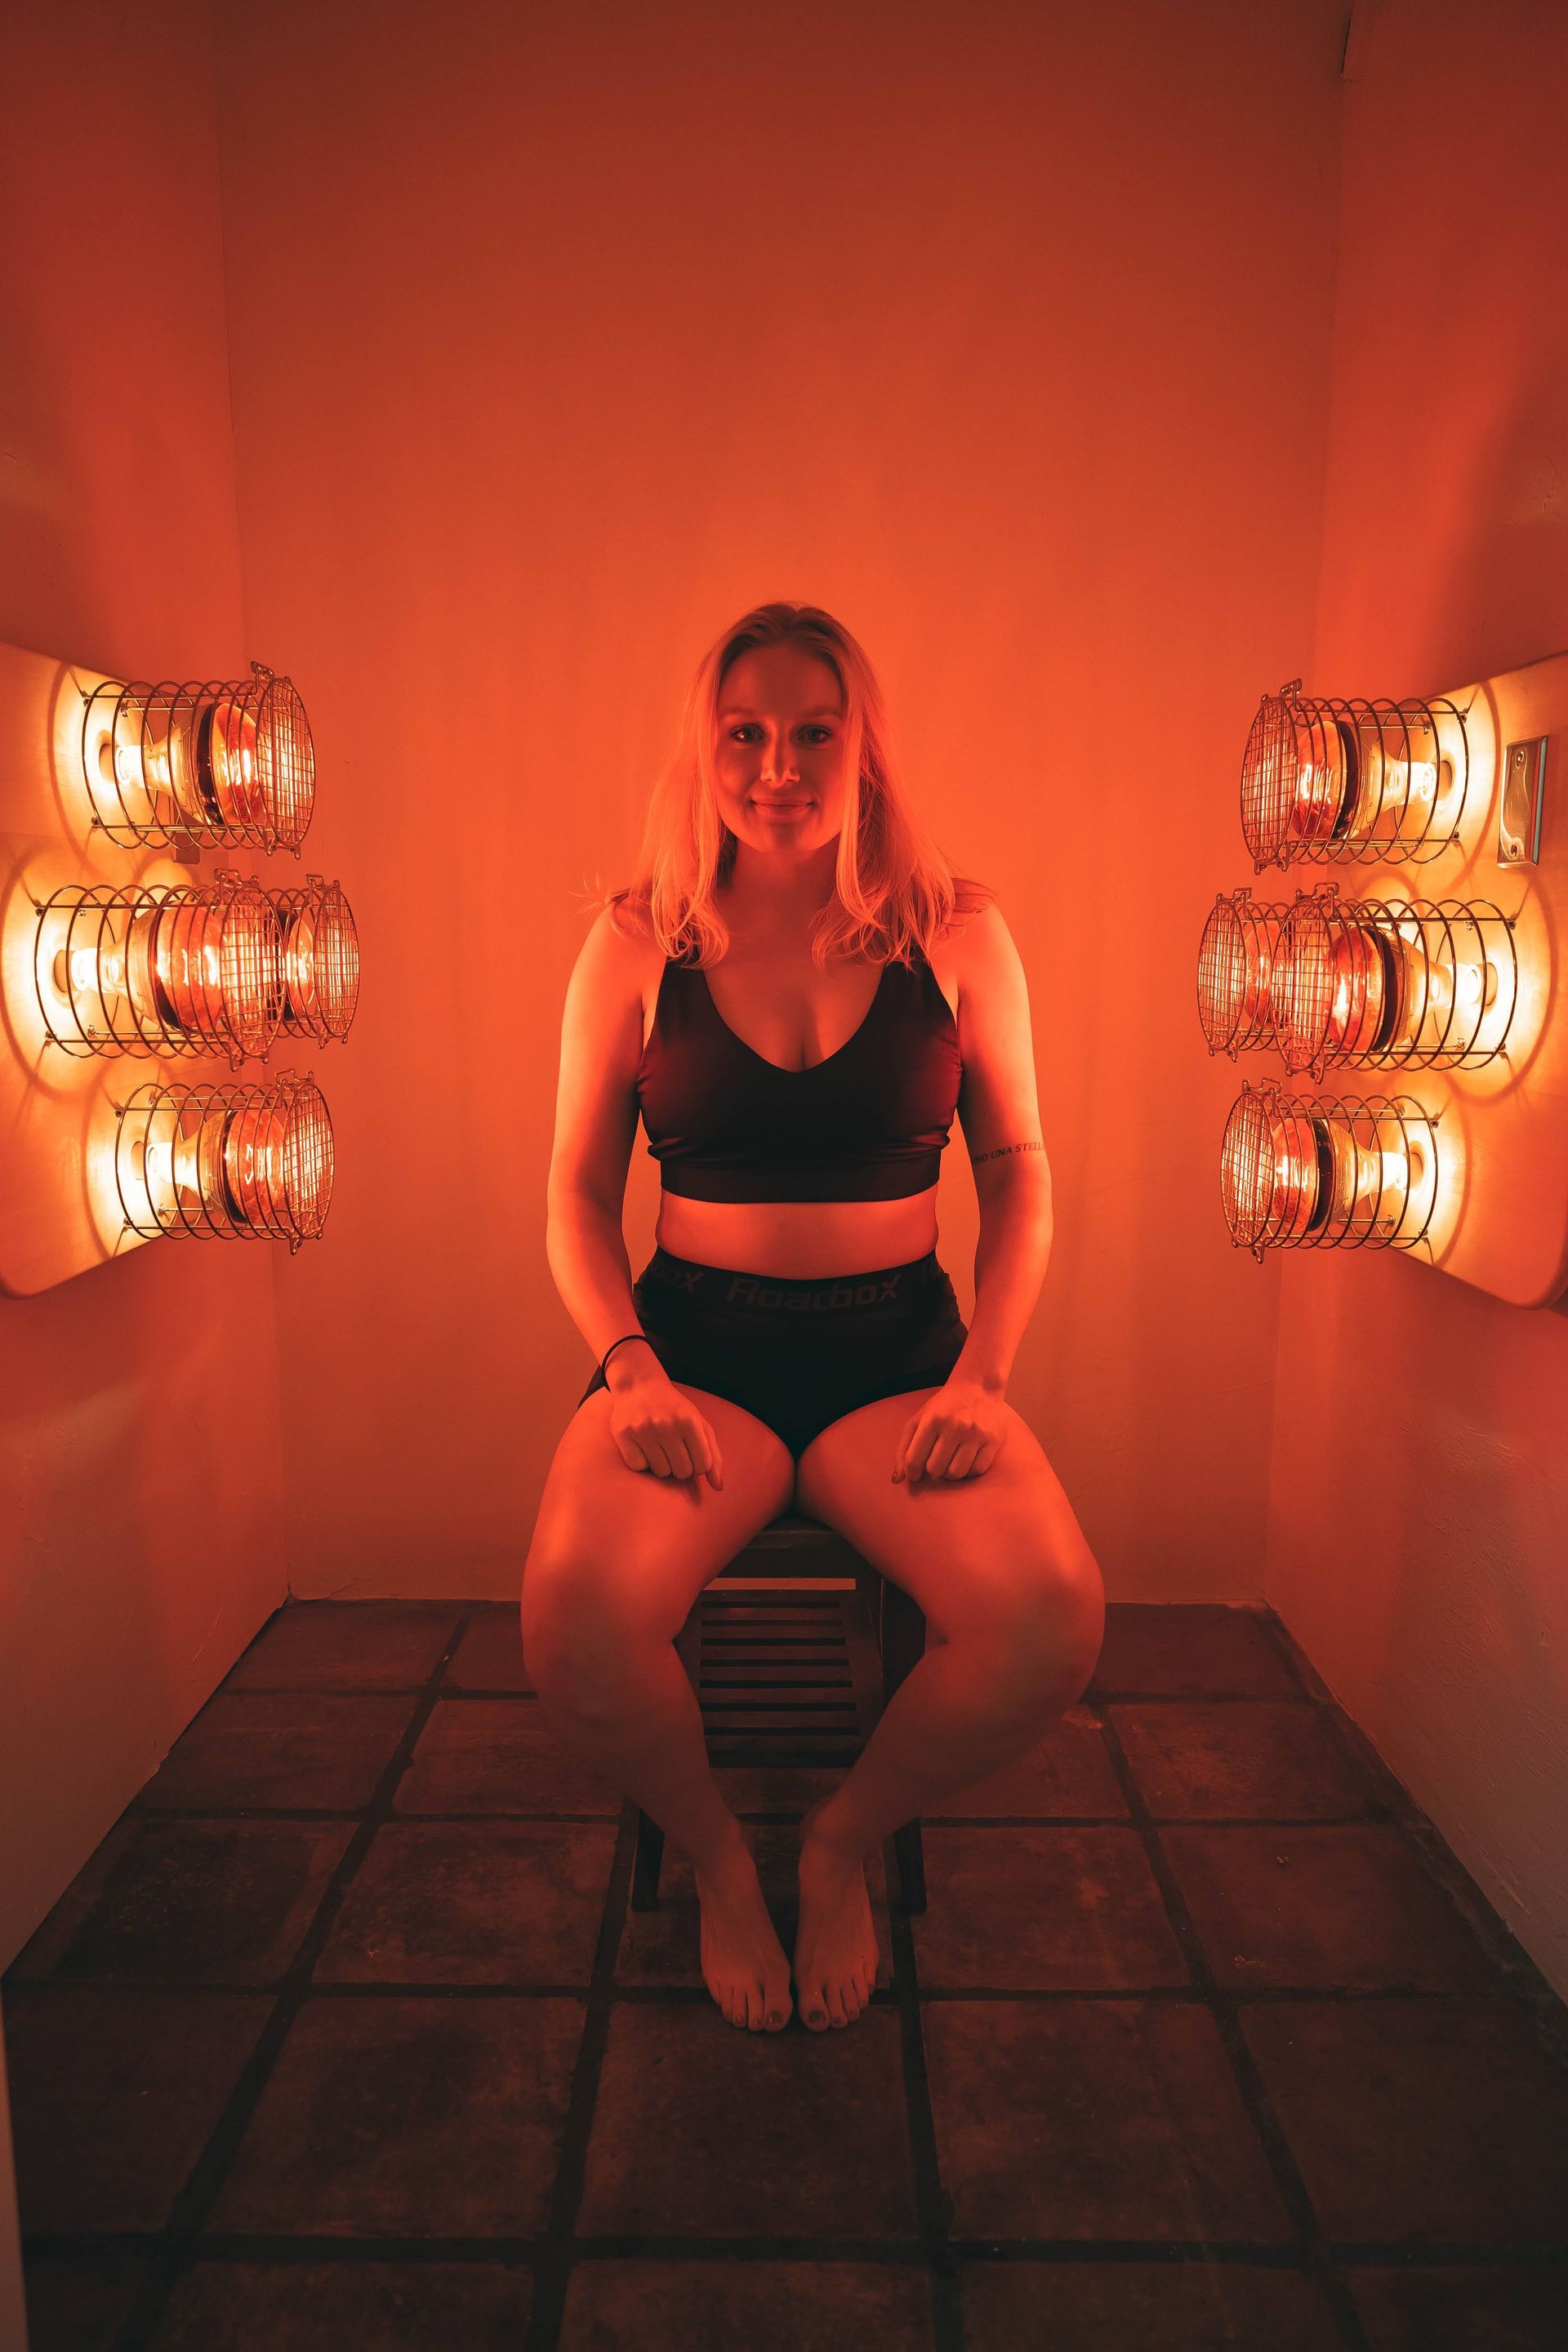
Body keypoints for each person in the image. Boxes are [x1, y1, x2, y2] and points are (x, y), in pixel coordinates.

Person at [521, 601, 1103, 2036]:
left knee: (1048, 1618)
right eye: (746, 733)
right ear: (706, 745)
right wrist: (627, 1370)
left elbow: (1021, 1176)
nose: (777, 765)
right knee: (574, 1615)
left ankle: (839, 1844)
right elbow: (574, 1202)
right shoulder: (635, 940)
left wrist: (984, 1376)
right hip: (692, 1356)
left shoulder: (957, 931)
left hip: (894, 1359)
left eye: (812, 732)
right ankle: (725, 1860)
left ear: (864, 747)